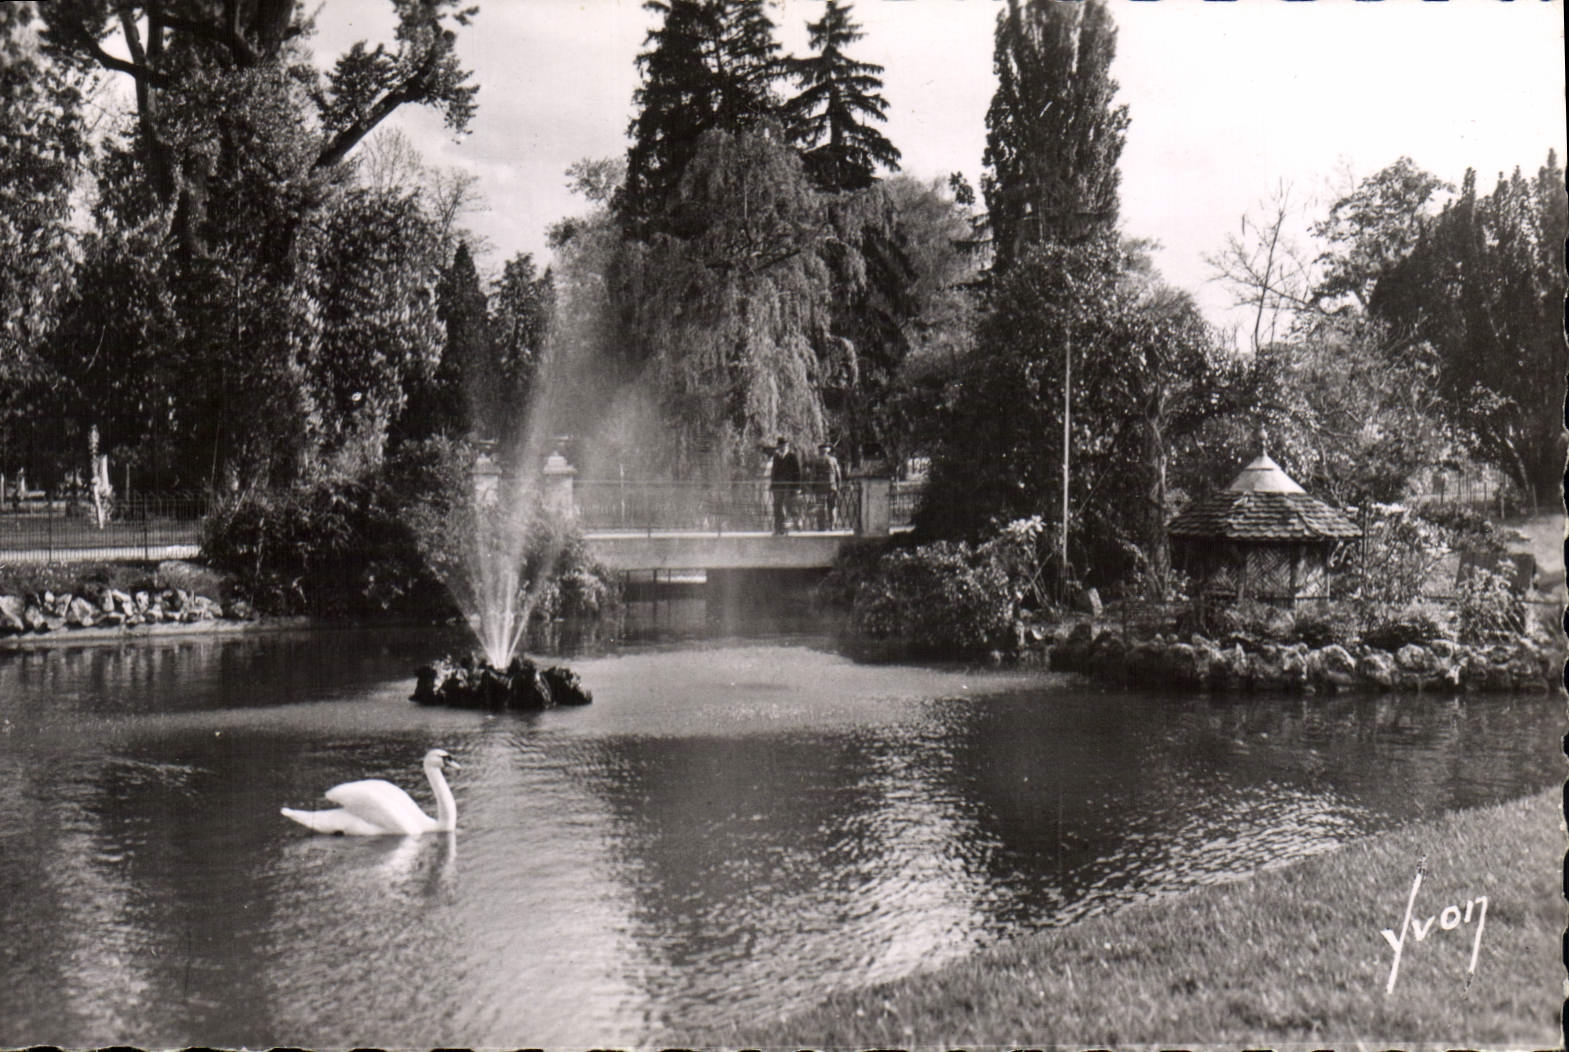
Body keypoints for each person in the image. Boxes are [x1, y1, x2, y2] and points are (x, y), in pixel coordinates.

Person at [768, 436, 801, 534]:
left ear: (787, 446)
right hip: (778, 486)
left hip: (789, 486)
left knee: (787, 507)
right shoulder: (776, 457)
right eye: (781, 446)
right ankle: (778, 528)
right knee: (777, 507)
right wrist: (772, 484)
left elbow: (797, 472)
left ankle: (786, 528)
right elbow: (774, 472)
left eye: (784, 446)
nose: (782, 448)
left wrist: (797, 487)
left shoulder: (792, 456)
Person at [814, 442, 842, 529]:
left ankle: (821, 526)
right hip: (831, 486)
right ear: (828, 451)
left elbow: (813, 475)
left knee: (820, 506)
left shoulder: (816, 460)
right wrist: (838, 486)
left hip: (820, 487)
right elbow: (838, 474)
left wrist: (812, 486)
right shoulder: (833, 460)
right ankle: (832, 525)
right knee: (832, 506)